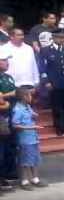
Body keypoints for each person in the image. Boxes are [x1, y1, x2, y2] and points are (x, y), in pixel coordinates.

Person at [39, 28, 64, 136]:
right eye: (60, 37)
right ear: (54, 38)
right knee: (56, 106)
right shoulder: (46, 50)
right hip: (54, 83)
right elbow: (42, 68)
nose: (62, 39)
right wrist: (46, 81)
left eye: (63, 37)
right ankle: (59, 127)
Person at [12, 87, 46, 191]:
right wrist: (31, 127)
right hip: (25, 140)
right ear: (24, 97)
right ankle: (25, 181)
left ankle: (35, 178)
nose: (31, 97)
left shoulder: (28, 107)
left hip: (33, 138)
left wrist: (33, 116)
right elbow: (15, 125)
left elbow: (29, 117)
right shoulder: (17, 110)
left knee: (35, 160)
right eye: (29, 95)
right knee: (25, 162)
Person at [0, 51, 17, 191]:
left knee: (11, 145)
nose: (7, 62)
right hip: (2, 115)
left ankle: (7, 174)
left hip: (11, 114)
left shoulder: (9, 77)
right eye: (4, 60)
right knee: (2, 147)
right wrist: (11, 94)